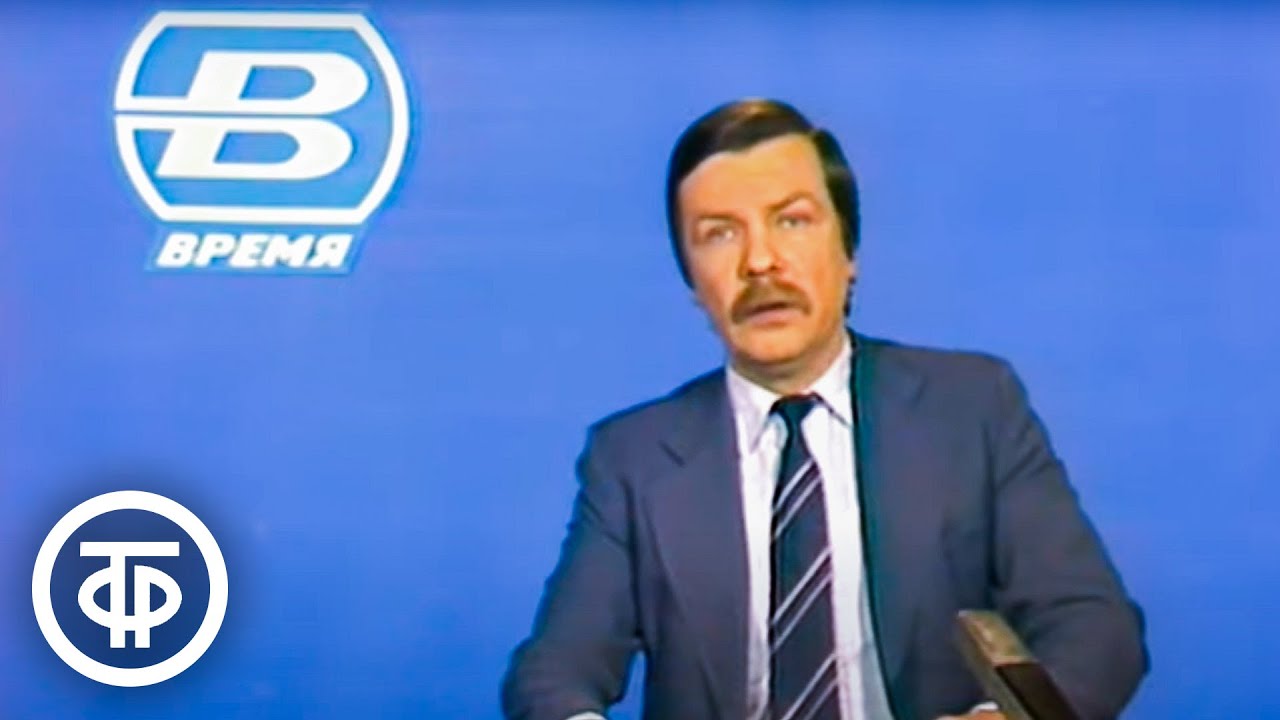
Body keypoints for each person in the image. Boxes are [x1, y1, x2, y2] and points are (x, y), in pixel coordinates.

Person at [501, 99, 1147, 720]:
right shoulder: (633, 458)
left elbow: (1095, 627)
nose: (760, 262)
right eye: (719, 234)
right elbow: (554, 672)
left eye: (792, 220)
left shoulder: (972, 408)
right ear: (693, 283)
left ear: (849, 253)